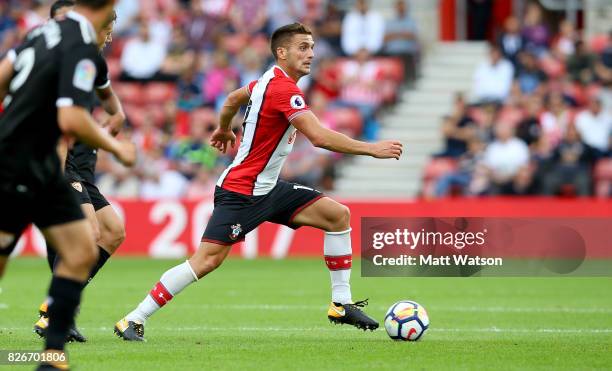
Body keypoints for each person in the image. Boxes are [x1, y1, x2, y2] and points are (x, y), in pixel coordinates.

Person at [114, 23, 403, 341]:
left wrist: (224, 128)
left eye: (311, 47)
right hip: (242, 192)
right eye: (303, 47)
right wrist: (371, 149)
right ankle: (133, 318)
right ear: (282, 52)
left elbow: (231, 99)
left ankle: (341, 304)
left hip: (268, 187)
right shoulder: (283, 89)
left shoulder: (267, 81)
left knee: (338, 216)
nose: (311, 53)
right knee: (207, 261)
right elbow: (318, 137)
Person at [0, 0, 136, 369]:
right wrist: (118, 149)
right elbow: (72, 117)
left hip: (34, 158)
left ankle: (52, 357)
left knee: (81, 250)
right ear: (106, 9)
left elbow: (4, 74)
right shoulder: (80, 46)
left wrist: (117, 112)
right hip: (24, 161)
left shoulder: (43, 33)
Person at [33, 0, 127, 344]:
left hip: (81, 168)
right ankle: (54, 314)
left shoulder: (89, 62)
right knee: (85, 234)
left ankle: (56, 309)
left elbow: (103, 102)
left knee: (113, 232)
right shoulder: (57, 58)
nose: (109, 34)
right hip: (60, 163)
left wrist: (114, 118)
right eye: (105, 25)